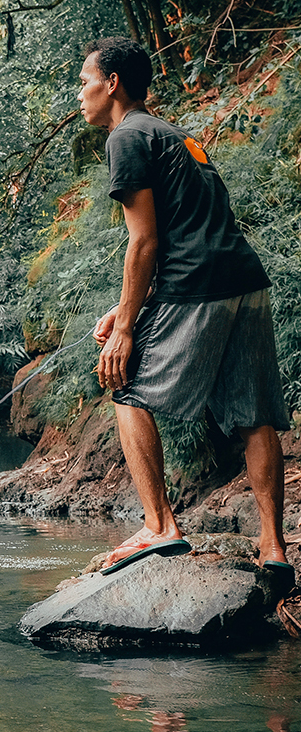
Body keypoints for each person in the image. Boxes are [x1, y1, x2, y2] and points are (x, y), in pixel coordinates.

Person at [77, 36, 293, 584]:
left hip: (196, 286)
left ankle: (159, 525)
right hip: (245, 281)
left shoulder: (126, 137)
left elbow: (145, 241)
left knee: (124, 384)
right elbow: (191, 230)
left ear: (113, 83)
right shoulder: (177, 136)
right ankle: (273, 548)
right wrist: (125, 307)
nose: (80, 94)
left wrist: (126, 328)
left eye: (85, 82)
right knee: (253, 415)